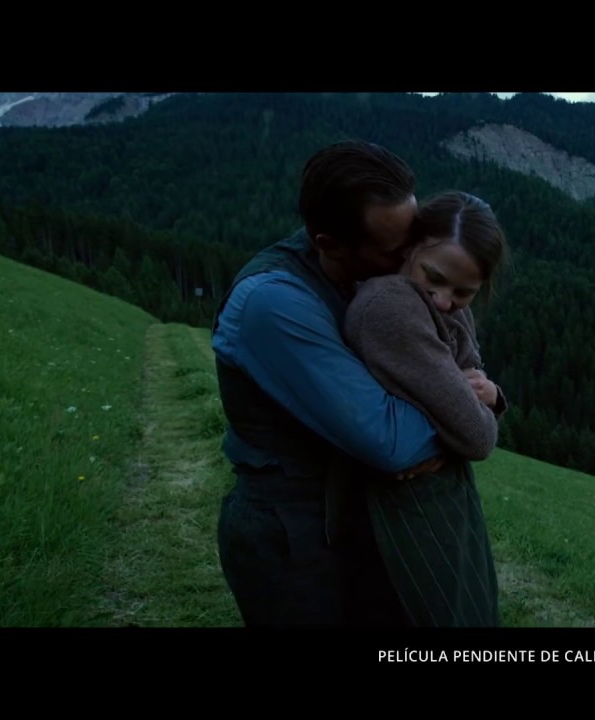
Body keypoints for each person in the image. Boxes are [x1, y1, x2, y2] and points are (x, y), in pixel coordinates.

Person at [212, 139, 453, 628]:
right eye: (395, 251)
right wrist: (465, 415)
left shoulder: (359, 269)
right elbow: (392, 442)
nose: (411, 261)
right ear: (330, 243)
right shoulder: (273, 304)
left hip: (345, 521)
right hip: (291, 543)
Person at [343, 190, 510, 627]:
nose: (443, 300)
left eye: (464, 292)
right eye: (433, 277)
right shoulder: (392, 304)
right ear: (410, 247)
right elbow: (477, 436)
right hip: (406, 505)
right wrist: (473, 413)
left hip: (441, 494)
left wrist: (490, 395)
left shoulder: (443, 309)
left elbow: (473, 376)